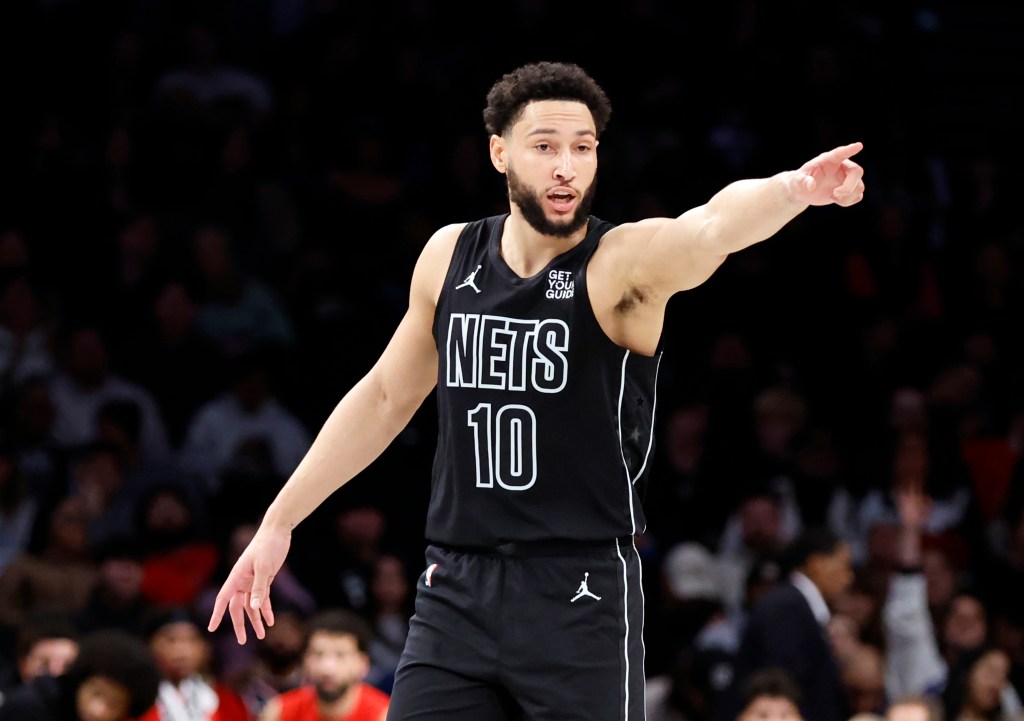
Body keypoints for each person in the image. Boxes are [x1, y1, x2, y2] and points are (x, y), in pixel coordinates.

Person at [207, 60, 865, 720]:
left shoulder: (620, 265)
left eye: (582, 148)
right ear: (499, 152)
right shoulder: (449, 254)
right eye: (545, 146)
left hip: (579, 592)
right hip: (457, 587)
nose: (566, 167)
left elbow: (711, 226)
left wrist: (793, 189)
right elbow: (384, 396)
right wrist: (279, 519)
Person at [718, 527, 854, 721]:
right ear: (817, 564)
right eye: (845, 565)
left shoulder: (794, 605)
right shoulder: (786, 608)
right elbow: (781, 686)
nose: (849, 577)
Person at [0, 627, 161, 721]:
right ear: (80, 680)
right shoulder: (28, 707)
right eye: (96, 693)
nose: (97, 710)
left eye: (113, 704)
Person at [258, 608, 389, 721]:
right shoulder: (279, 712)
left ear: (363, 663)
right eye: (318, 654)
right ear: (304, 660)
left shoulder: (384, 715)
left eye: (340, 655)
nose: (327, 668)